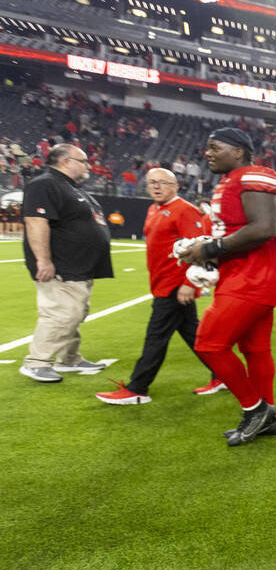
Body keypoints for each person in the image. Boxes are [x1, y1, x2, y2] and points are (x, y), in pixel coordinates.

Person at [176, 127, 276, 446]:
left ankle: (255, 410)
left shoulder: (254, 175)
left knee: (209, 343)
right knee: (255, 349)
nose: (207, 153)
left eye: (215, 147)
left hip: (253, 276)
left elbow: (263, 228)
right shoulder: (232, 180)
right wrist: (206, 248)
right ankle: (269, 418)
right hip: (246, 273)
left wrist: (209, 250)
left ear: (238, 151)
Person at [95, 168, 223, 404]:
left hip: (174, 285)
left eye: (162, 182)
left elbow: (200, 248)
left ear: (175, 186)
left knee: (156, 337)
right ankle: (223, 374)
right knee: (194, 335)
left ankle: (137, 389)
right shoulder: (154, 208)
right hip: (162, 282)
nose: (156, 186)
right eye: (152, 182)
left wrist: (188, 283)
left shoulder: (184, 210)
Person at [20, 144, 112, 382]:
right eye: (83, 161)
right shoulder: (45, 184)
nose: (88, 166)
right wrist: (43, 260)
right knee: (62, 313)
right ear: (66, 161)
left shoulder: (69, 187)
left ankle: (68, 358)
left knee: (75, 312)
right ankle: (37, 362)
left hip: (78, 265)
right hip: (61, 265)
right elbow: (35, 221)